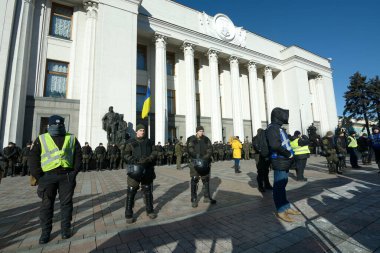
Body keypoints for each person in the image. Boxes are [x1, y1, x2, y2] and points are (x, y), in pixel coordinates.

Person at [28, 115, 82, 244]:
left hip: (67, 176)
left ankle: (65, 230)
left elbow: (78, 156)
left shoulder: (72, 138)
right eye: (54, 124)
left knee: (66, 204)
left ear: (63, 125)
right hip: (47, 177)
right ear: (49, 126)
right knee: (46, 205)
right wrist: (40, 177)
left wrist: (74, 173)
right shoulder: (41, 139)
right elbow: (33, 159)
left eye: (60, 124)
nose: (58, 126)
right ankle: (45, 232)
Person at [266, 107, 300, 222]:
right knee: (279, 186)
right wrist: (287, 154)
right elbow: (275, 145)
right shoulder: (272, 128)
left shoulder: (278, 128)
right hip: (279, 160)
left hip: (284, 160)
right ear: (277, 116)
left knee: (283, 184)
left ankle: (286, 207)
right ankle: (281, 211)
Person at [123, 124, 157, 223]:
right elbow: (125, 155)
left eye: (143, 130)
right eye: (140, 130)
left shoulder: (149, 142)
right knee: (131, 190)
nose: (142, 132)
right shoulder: (130, 142)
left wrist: (149, 159)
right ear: (136, 131)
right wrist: (135, 160)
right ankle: (128, 213)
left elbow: (155, 152)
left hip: (147, 169)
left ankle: (150, 210)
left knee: (147, 190)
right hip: (135, 170)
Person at [187, 126, 216, 208]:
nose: (201, 132)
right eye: (200, 131)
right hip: (194, 162)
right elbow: (190, 149)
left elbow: (210, 149)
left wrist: (205, 157)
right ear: (196, 131)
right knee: (194, 179)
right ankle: (194, 199)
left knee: (206, 179)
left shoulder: (206, 139)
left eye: (202, 131)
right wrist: (197, 156)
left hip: (205, 162)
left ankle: (207, 197)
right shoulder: (192, 139)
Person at [253, 128, 272, 193]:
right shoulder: (255, 138)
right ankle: (261, 186)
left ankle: (267, 185)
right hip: (259, 156)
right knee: (261, 172)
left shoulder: (264, 138)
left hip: (265, 156)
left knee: (266, 171)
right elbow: (257, 147)